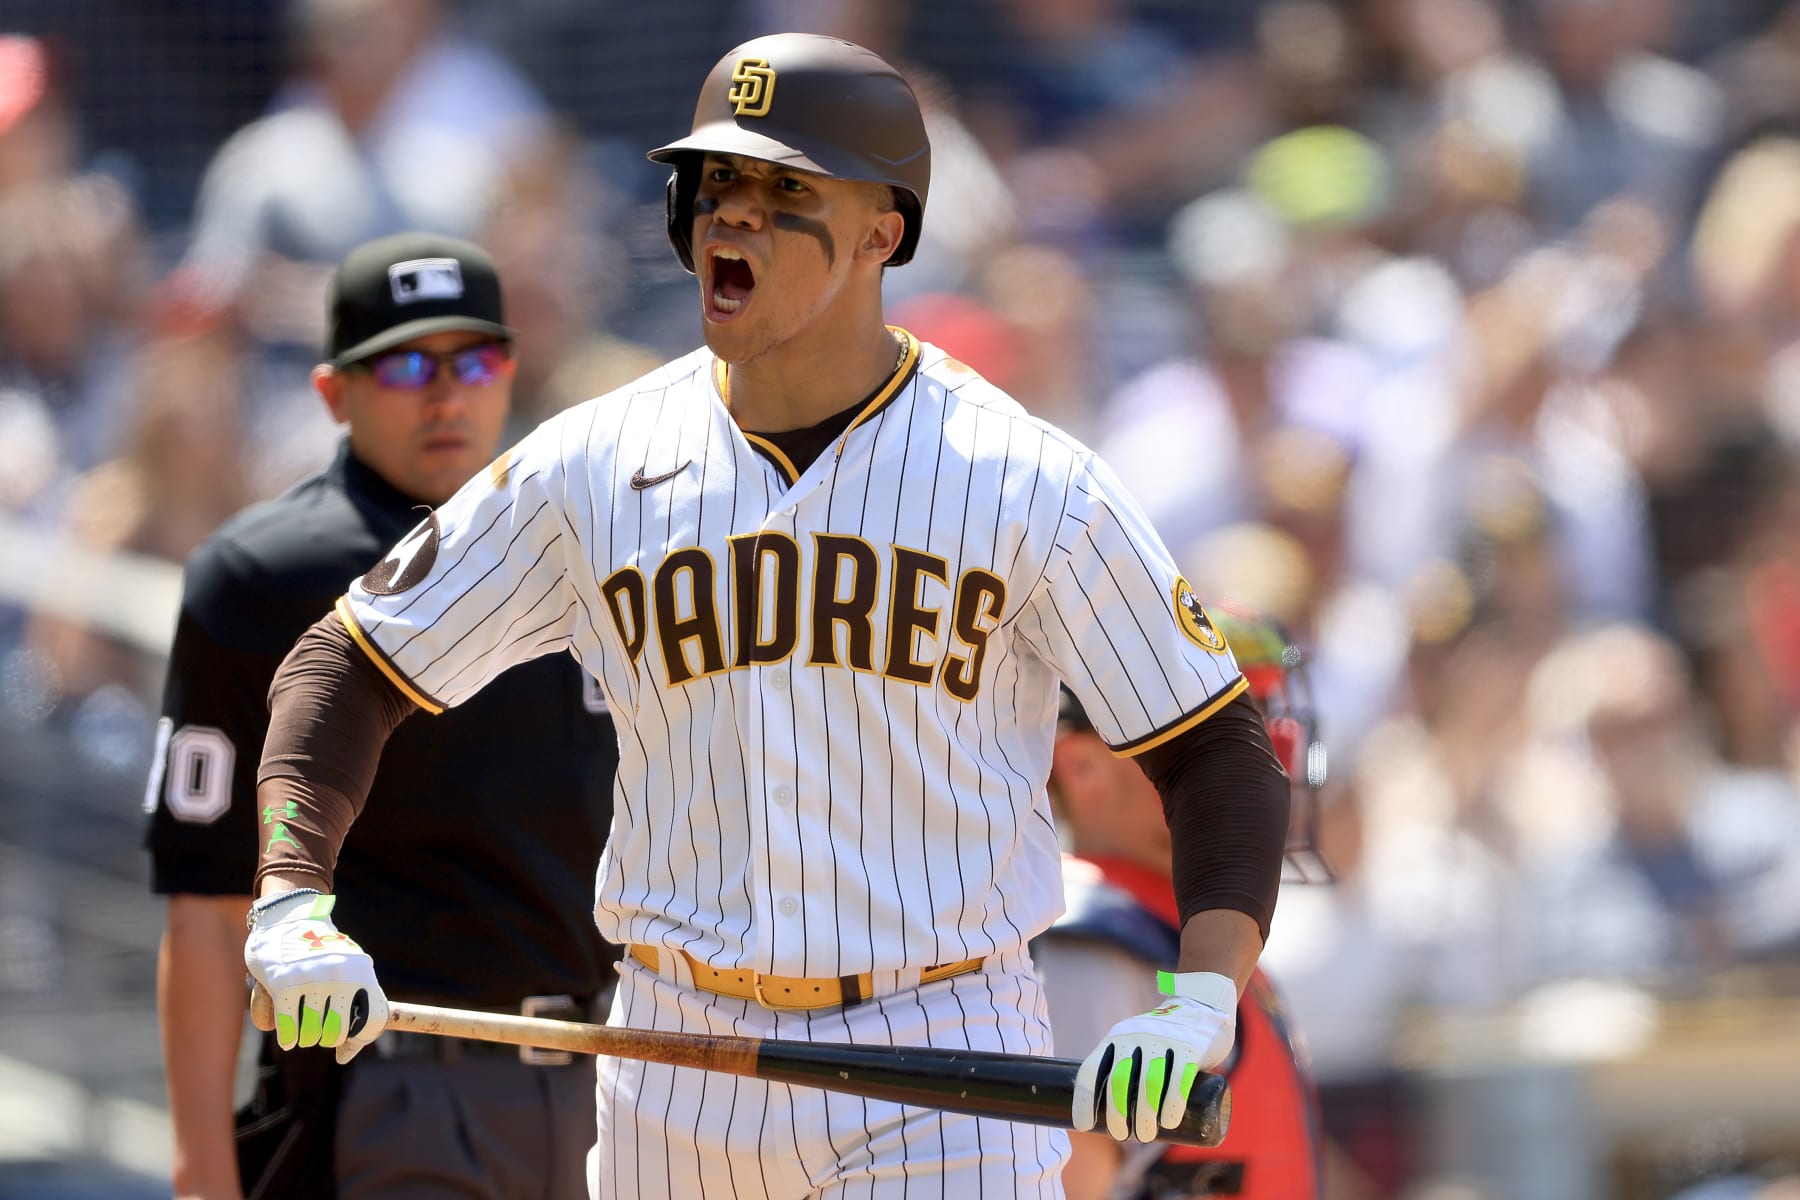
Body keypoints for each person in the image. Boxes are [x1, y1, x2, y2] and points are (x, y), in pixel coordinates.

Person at [238, 34, 1290, 1199]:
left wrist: (1200, 995)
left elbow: (1215, 745)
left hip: (937, 1047)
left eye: (786, 190)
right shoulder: (594, 462)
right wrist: (293, 897)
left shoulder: (1022, 479)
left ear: (884, 230)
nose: (732, 217)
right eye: (715, 183)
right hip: (672, 1053)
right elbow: (347, 664)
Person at [146, 232, 618, 1200]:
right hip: (396, 1082)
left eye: (473, 359)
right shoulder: (263, 577)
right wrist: (202, 1167)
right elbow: (203, 904)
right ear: (334, 392)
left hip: (612, 1075)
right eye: (404, 364)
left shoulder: (590, 543)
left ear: (511, 371)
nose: (445, 394)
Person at [1037, 606, 1328, 1200]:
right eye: (1226, 725)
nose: (1269, 750)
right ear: (1083, 763)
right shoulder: (1094, 946)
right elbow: (1065, 1186)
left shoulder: (1197, 927)